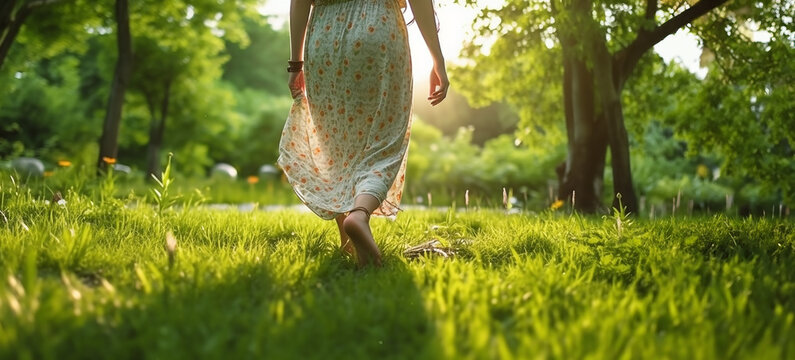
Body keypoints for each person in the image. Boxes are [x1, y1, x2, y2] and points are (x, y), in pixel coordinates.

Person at [279, 0, 448, 267]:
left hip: (324, 37)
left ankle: (349, 245)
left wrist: (295, 65)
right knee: (384, 140)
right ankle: (359, 215)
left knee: (335, 143)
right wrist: (437, 59)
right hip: (378, 30)